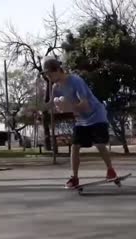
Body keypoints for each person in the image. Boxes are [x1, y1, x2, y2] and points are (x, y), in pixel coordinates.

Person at [40, 57, 118, 189]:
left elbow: (85, 105)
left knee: (99, 143)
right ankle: (74, 178)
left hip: (96, 115)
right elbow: (51, 105)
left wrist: (69, 107)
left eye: (49, 74)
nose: (48, 77)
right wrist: (36, 109)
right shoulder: (55, 87)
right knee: (75, 146)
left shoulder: (75, 81)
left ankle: (111, 170)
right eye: (46, 75)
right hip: (81, 120)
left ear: (58, 70)